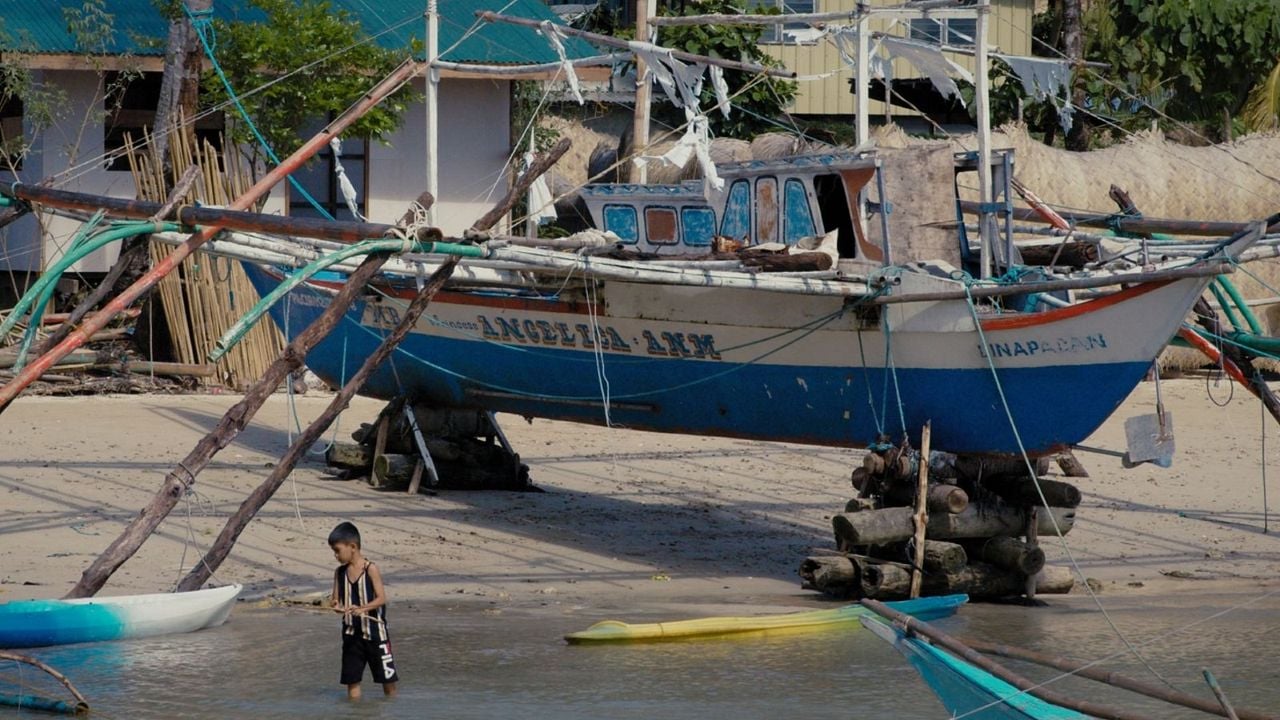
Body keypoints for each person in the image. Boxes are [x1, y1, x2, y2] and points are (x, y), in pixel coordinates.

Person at [328, 521, 398, 699]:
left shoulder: (370, 569)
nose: (336, 555)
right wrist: (337, 606)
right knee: (352, 681)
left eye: (337, 550)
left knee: (387, 680)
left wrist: (363, 609)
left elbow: (382, 599)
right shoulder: (339, 572)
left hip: (376, 633)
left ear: (352, 546)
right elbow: (335, 600)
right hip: (351, 635)